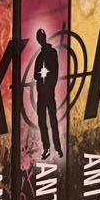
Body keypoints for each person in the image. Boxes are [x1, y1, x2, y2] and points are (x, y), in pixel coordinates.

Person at [33, 28, 63, 160]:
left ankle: (58, 148)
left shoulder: (52, 53)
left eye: (41, 37)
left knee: (52, 121)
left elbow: (55, 72)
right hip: (41, 94)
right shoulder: (39, 57)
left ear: (44, 37)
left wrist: (49, 86)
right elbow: (35, 75)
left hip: (49, 94)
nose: (41, 40)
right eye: (39, 38)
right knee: (42, 122)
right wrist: (42, 74)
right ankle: (47, 148)